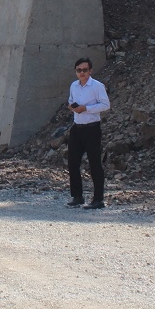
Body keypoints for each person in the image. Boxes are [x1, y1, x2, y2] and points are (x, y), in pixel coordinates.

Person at [67, 57, 110, 209]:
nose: (82, 73)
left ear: (90, 71)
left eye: (85, 70)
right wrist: (72, 107)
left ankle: (98, 199)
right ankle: (77, 196)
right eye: (79, 70)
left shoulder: (97, 86)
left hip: (92, 128)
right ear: (76, 71)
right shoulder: (74, 86)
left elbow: (105, 105)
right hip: (77, 127)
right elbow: (71, 100)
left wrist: (86, 108)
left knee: (95, 164)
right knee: (72, 163)